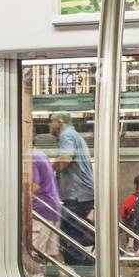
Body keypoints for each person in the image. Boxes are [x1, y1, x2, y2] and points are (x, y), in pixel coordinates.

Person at [48, 111, 96, 266]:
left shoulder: (66, 135)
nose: (49, 126)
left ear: (60, 122)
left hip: (78, 194)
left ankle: (83, 267)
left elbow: (65, 159)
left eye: (51, 121)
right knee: (73, 230)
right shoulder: (75, 135)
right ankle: (85, 264)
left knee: (65, 233)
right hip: (83, 194)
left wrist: (48, 170)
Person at [29, 148, 62, 268]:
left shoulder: (30, 157)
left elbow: (34, 186)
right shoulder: (40, 154)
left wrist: (21, 203)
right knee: (52, 253)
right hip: (54, 208)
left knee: (33, 254)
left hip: (41, 210)